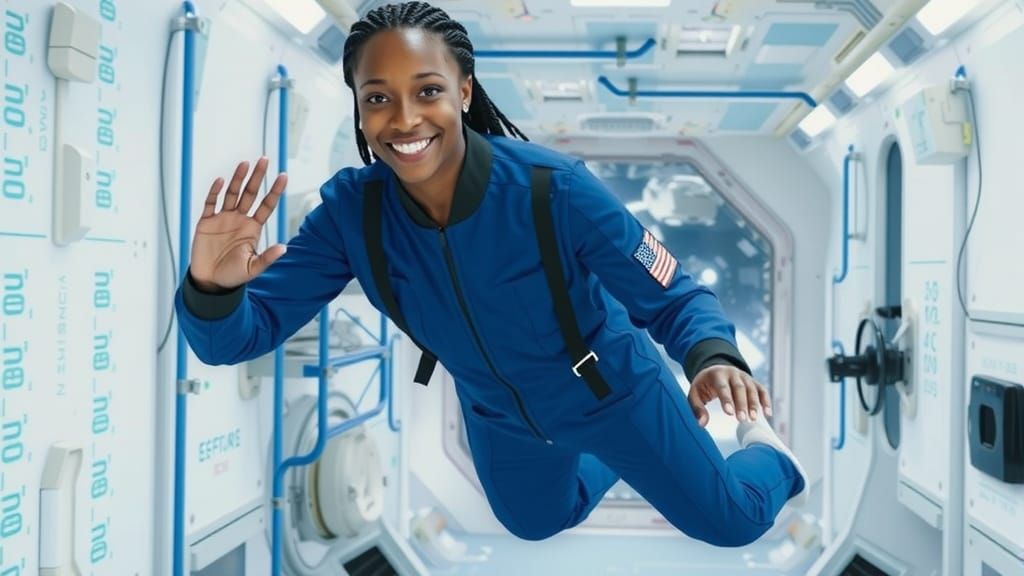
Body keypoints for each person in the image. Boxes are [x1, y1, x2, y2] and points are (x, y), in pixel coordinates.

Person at [175, 1, 807, 547]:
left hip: (611, 391)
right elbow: (238, 338)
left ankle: (770, 456)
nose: (404, 119)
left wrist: (711, 355)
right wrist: (213, 286)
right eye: (378, 98)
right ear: (361, 110)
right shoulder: (351, 215)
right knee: (535, 522)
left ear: (464, 92)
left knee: (731, 521)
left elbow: (672, 293)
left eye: (427, 91)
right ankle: (630, 457)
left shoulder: (553, 189)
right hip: (497, 412)